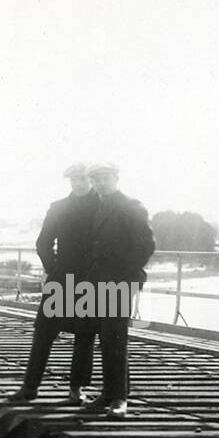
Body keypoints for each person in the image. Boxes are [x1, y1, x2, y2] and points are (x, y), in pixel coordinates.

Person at [9, 162, 99, 403]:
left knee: (85, 335)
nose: (79, 183)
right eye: (74, 180)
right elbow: (43, 243)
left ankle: (76, 391)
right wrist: (54, 268)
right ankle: (29, 388)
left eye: (82, 179)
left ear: (90, 180)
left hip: (92, 279)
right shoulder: (58, 208)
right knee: (44, 331)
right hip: (62, 277)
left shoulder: (104, 207)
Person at [75, 162, 155, 418]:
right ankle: (109, 393)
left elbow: (146, 246)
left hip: (120, 281)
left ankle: (120, 398)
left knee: (115, 337)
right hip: (100, 280)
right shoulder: (101, 208)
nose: (100, 184)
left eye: (105, 179)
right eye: (96, 180)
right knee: (106, 336)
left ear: (116, 178)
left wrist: (125, 275)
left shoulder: (131, 207)